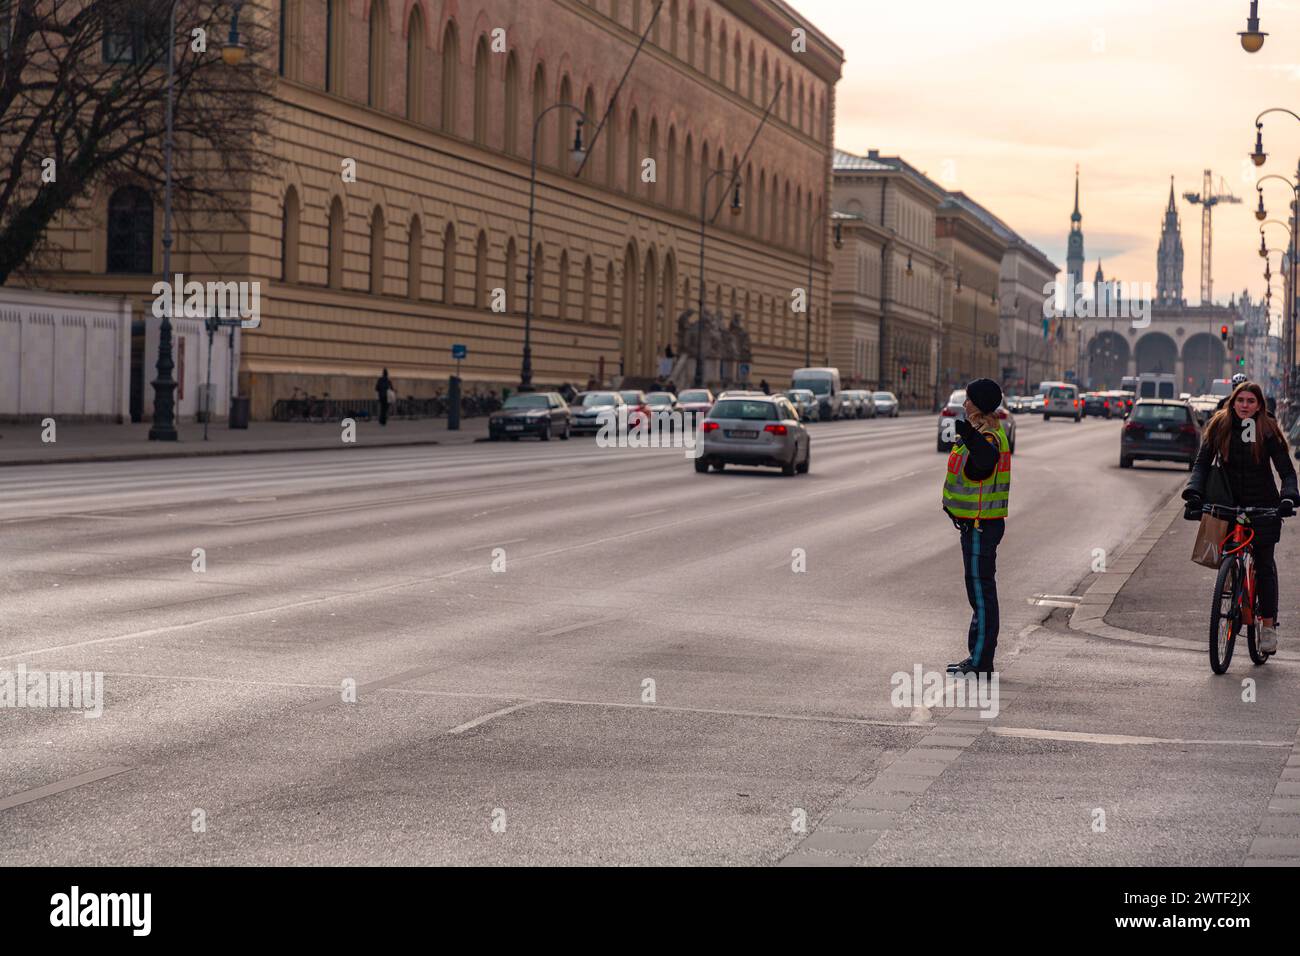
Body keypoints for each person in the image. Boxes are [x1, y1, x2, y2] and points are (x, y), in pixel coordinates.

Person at [1183, 380, 1298, 654]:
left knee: (1264, 564)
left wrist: (1288, 496)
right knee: (1226, 556)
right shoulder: (1219, 425)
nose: (1244, 405)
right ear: (1233, 401)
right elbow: (1201, 465)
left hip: (1263, 505)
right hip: (1227, 503)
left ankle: (1268, 628)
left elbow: (1287, 472)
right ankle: (1232, 582)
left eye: (1250, 401)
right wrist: (1194, 492)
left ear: (1259, 406)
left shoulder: (1267, 428)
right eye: (1240, 400)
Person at [941, 378, 1011, 675]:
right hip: (976, 525)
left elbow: (985, 460)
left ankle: (982, 660)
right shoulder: (983, 432)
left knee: (981, 594)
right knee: (978, 592)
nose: (965, 403)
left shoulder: (989, 437)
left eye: (968, 399)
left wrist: (970, 438)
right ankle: (977, 655)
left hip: (982, 525)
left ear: (978, 404)